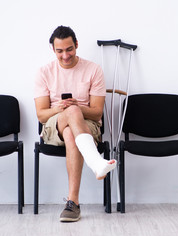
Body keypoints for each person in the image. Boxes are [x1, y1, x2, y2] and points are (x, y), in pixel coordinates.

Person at [34, 25, 116, 222]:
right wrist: (63, 108)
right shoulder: (44, 72)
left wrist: (77, 107)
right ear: (53, 50)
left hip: (88, 125)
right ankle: (95, 162)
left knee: (72, 131)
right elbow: (41, 115)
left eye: (69, 49)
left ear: (77, 45)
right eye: (60, 51)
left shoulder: (93, 70)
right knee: (70, 111)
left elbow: (96, 112)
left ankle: (73, 204)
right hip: (54, 126)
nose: (65, 55)